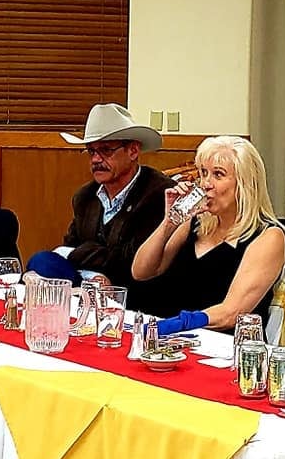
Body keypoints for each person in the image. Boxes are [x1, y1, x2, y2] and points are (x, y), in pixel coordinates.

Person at [131, 136, 285, 334]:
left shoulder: (268, 236)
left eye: (218, 175)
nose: (206, 183)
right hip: (171, 339)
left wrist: (179, 324)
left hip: (221, 346)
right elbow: (141, 272)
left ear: (245, 184)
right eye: (203, 173)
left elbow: (231, 313)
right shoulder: (195, 221)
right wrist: (169, 223)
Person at [26, 104, 174, 311]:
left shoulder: (159, 194)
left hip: (136, 295)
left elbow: (131, 262)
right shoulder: (85, 196)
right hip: (90, 286)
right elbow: (69, 248)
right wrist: (93, 276)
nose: (96, 160)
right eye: (91, 151)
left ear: (133, 151)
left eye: (106, 150)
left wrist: (84, 257)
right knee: (41, 263)